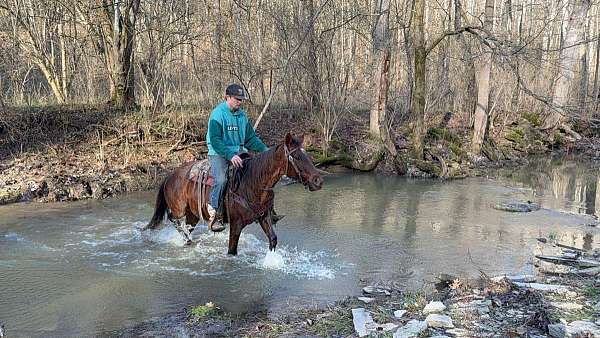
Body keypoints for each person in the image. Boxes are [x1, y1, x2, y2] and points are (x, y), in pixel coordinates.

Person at [206, 84, 269, 232]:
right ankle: (214, 211)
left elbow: (250, 139)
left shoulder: (242, 116)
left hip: (239, 152)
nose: (240, 102)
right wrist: (230, 155)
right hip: (219, 152)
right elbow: (215, 140)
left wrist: (266, 151)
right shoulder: (217, 114)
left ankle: (264, 210)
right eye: (237, 99)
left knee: (258, 175)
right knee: (221, 179)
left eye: (242, 99)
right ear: (227, 97)